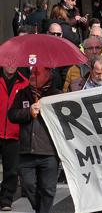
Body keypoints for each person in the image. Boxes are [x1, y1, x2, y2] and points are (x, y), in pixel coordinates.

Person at [8, 66, 62, 213]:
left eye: (36, 73)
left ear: (48, 75)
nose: (32, 76)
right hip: (26, 151)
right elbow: (12, 115)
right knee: (28, 186)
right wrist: (28, 112)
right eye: (31, 73)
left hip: (49, 151)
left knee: (48, 189)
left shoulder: (57, 95)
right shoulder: (23, 94)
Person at [0, 65, 29, 210]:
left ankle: (6, 200)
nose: (11, 65)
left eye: (14, 61)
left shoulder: (24, 83)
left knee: (11, 170)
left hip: (14, 132)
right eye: (8, 61)